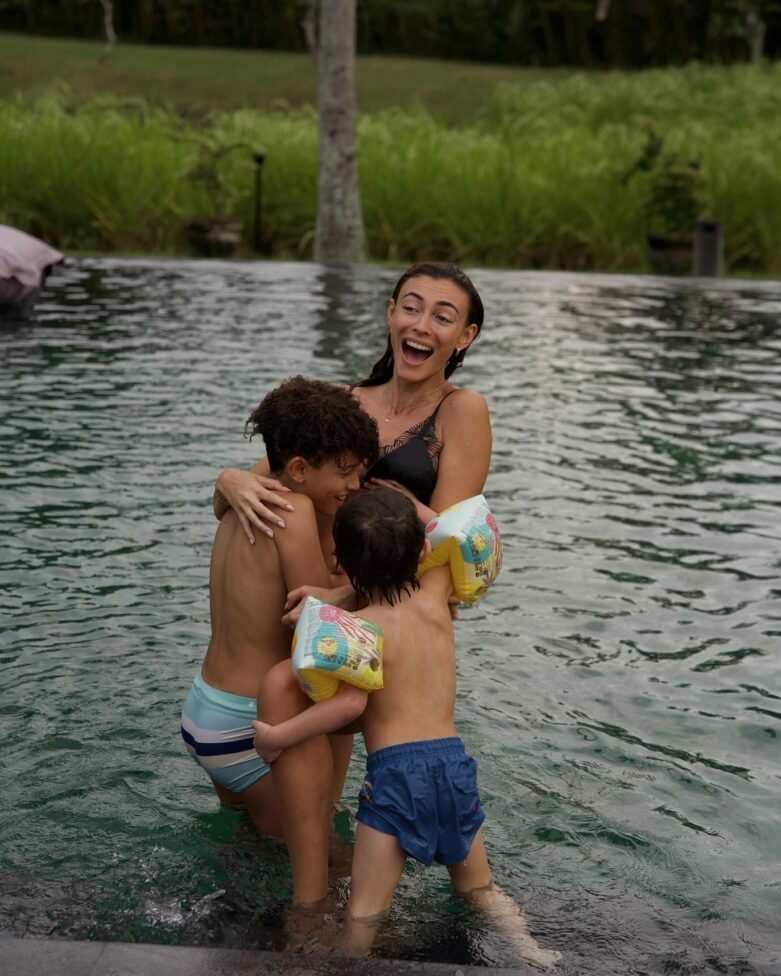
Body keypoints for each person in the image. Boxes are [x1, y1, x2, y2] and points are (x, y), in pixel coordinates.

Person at [251, 489, 560, 968]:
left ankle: (345, 968)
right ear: (420, 552)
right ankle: (534, 954)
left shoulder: (361, 629)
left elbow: (346, 706)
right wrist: (408, 505)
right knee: (480, 889)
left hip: (398, 777)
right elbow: (454, 529)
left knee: (364, 915)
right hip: (454, 764)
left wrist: (278, 737)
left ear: (345, 568)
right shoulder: (437, 594)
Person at [180, 376, 380, 905]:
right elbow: (315, 624)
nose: (356, 483)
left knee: (249, 849)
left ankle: (222, 926)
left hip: (206, 708)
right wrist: (358, 587)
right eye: (344, 472)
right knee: (324, 864)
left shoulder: (239, 506)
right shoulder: (291, 517)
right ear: (297, 470)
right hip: (251, 721)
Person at [213, 262, 491, 546]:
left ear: (465, 336)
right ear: (391, 313)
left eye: (442, 318)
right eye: (411, 309)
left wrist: (346, 593)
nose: (421, 326)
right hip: (314, 576)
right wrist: (229, 480)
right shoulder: (344, 402)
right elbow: (249, 489)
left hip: (397, 584)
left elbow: (451, 544)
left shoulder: (462, 409)